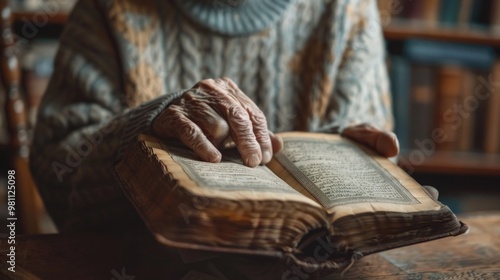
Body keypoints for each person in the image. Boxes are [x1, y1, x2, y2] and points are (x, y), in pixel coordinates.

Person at [30, 0, 399, 232]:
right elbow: (57, 179)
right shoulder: (109, 8)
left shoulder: (345, 9)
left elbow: (361, 212)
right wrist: (147, 124)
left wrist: (347, 154)